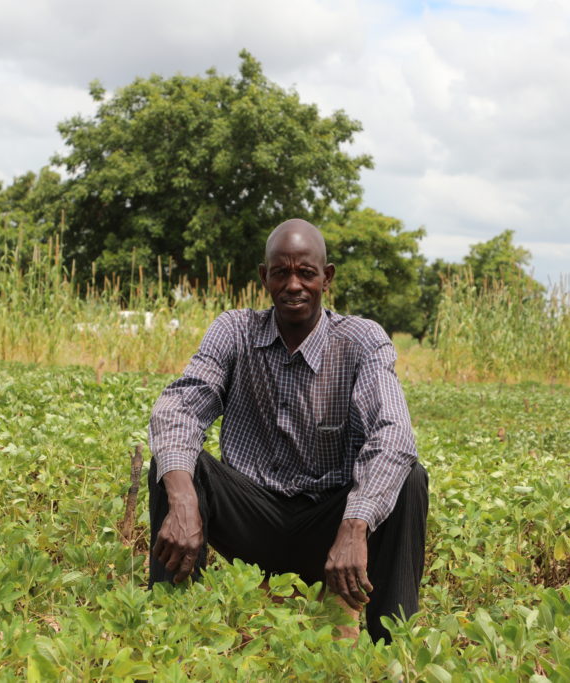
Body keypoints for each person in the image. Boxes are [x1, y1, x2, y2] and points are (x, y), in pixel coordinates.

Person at [147, 218, 428, 642]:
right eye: (281, 272)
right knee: (175, 466)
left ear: (326, 278)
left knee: (409, 476)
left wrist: (355, 527)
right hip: (252, 521)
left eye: (306, 273)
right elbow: (179, 408)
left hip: (329, 529)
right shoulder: (235, 331)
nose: (293, 284)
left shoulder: (360, 340)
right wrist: (183, 499)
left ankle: (392, 645)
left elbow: (394, 435)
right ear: (264, 278)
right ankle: (173, 633)